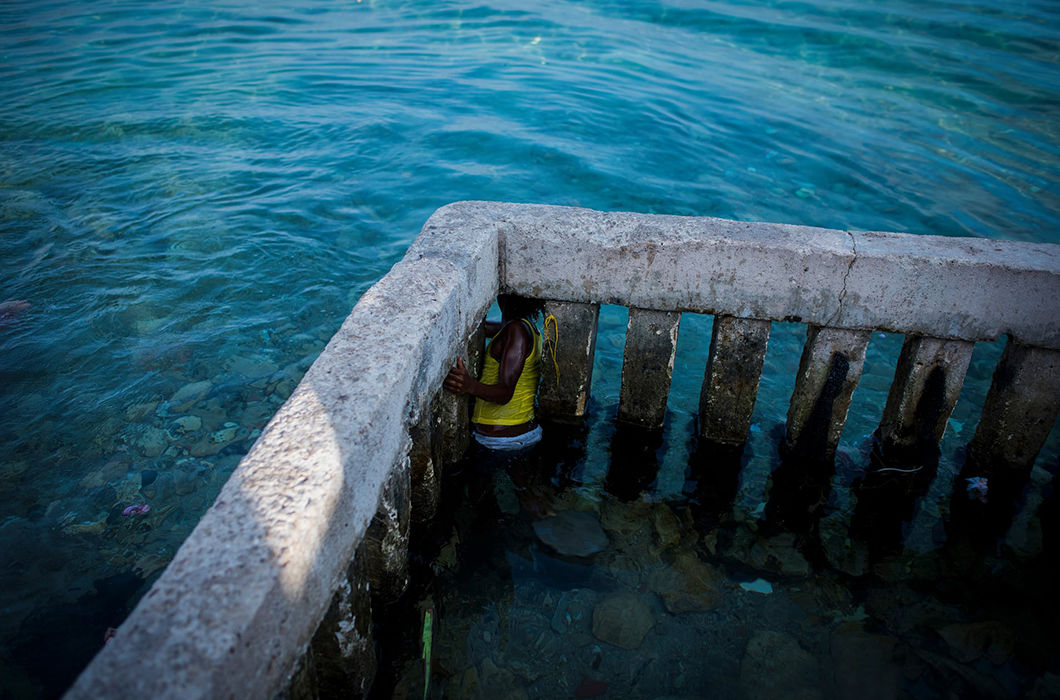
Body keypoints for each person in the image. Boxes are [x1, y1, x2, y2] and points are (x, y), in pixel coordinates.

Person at [443, 294, 543, 451]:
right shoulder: (527, 327)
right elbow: (487, 329)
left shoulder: (517, 331)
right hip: (517, 434)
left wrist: (470, 386)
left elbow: (505, 393)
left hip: (503, 440)